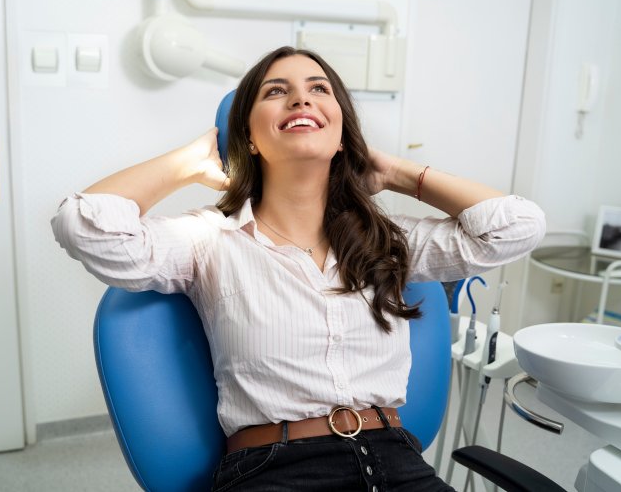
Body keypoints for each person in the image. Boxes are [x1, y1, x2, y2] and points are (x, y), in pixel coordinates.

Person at [51, 46, 545, 491]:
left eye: (318, 89)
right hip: (277, 471)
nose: (300, 100)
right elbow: (84, 226)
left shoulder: (389, 242)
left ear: (340, 133)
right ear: (248, 135)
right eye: (276, 91)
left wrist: (395, 173)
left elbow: (517, 227)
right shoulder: (208, 239)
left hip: (399, 464)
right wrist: (190, 161)